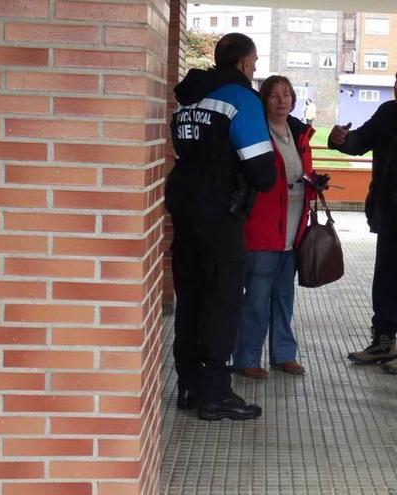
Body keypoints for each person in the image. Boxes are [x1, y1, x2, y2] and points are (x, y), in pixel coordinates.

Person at [166, 33, 275, 421]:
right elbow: (262, 171)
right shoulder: (241, 98)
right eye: (254, 62)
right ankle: (215, 392)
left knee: (191, 299)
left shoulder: (188, 98)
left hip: (184, 211)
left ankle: (190, 386)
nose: (255, 69)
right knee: (224, 299)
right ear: (245, 63)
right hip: (219, 215)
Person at [331, 60, 397, 375]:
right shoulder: (388, 113)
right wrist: (340, 140)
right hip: (387, 212)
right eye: (396, 79)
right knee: (385, 279)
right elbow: (359, 142)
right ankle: (384, 340)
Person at [233, 75, 322, 379]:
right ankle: (246, 358)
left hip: (294, 228)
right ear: (264, 100)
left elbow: (300, 171)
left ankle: (284, 354)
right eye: (274, 95)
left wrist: (313, 182)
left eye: (286, 95)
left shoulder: (298, 133)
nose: (282, 100)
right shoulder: (256, 133)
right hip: (262, 228)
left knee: (284, 297)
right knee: (257, 298)